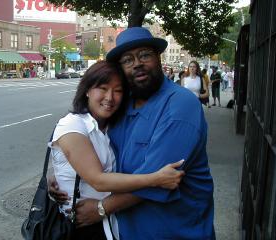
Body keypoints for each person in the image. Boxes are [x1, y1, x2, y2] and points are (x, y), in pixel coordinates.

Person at [50, 27, 215, 239]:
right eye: (127, 60)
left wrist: (102, 208)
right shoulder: (121, 104)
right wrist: (61, 174)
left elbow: (160, 181)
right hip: (124, 230)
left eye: (144, 55)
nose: (137, 63)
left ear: (158, 57)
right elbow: (85, 143)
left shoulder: (180, 106)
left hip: (174, 231)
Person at [48, 60, 185, 240]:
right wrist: (156, 179)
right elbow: (99, 180)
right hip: (81, 226)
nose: (110, 97)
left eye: (118, 91)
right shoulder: (73, 124)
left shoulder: (110, 127)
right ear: (87, 90)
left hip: (108, 224)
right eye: (102, 88)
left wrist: (51, 175)